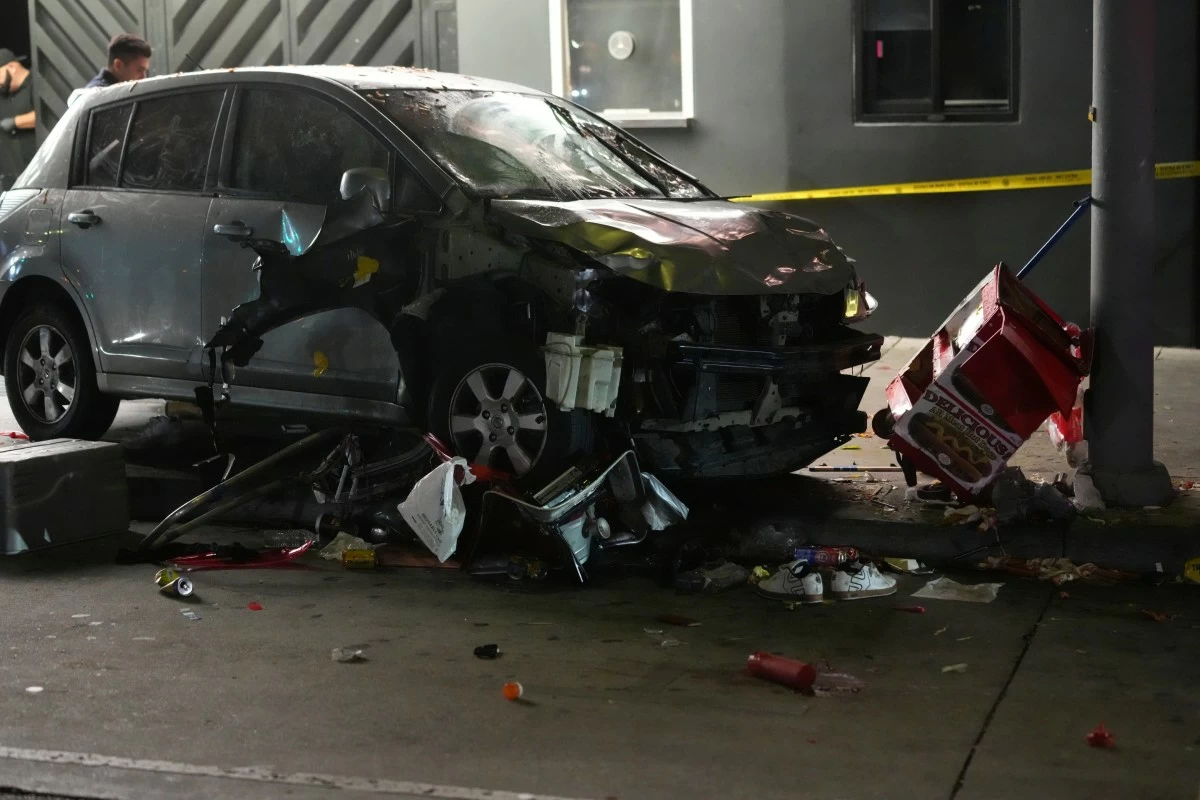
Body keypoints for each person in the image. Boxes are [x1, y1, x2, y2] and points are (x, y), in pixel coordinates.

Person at [0, 48, 36, 191]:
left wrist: (15, 122)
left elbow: (44, 115)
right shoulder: (3, 96)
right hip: (11, 183)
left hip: (37, 176)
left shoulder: (37, 84)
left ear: (12, 67)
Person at [84, 33, 152, 89]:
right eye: (139, 70)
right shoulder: (101, 95)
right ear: (118, 65)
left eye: (145, 71)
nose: (143, 78)